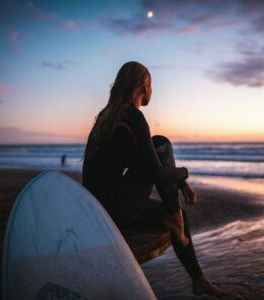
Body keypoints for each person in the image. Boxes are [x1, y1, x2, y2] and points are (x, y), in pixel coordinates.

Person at [82, 61, 225, 298]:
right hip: (117, 212)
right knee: (163, 144)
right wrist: (184, 172)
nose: (152, 91)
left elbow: (149, 163)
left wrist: (182, 185)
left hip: (98, 210)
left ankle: (199, 279)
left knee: (158, 146)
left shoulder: (107, 118)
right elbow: (156, 172)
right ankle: (174, 217)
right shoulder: (134, 118)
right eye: (152, 85)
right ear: (144, 86)